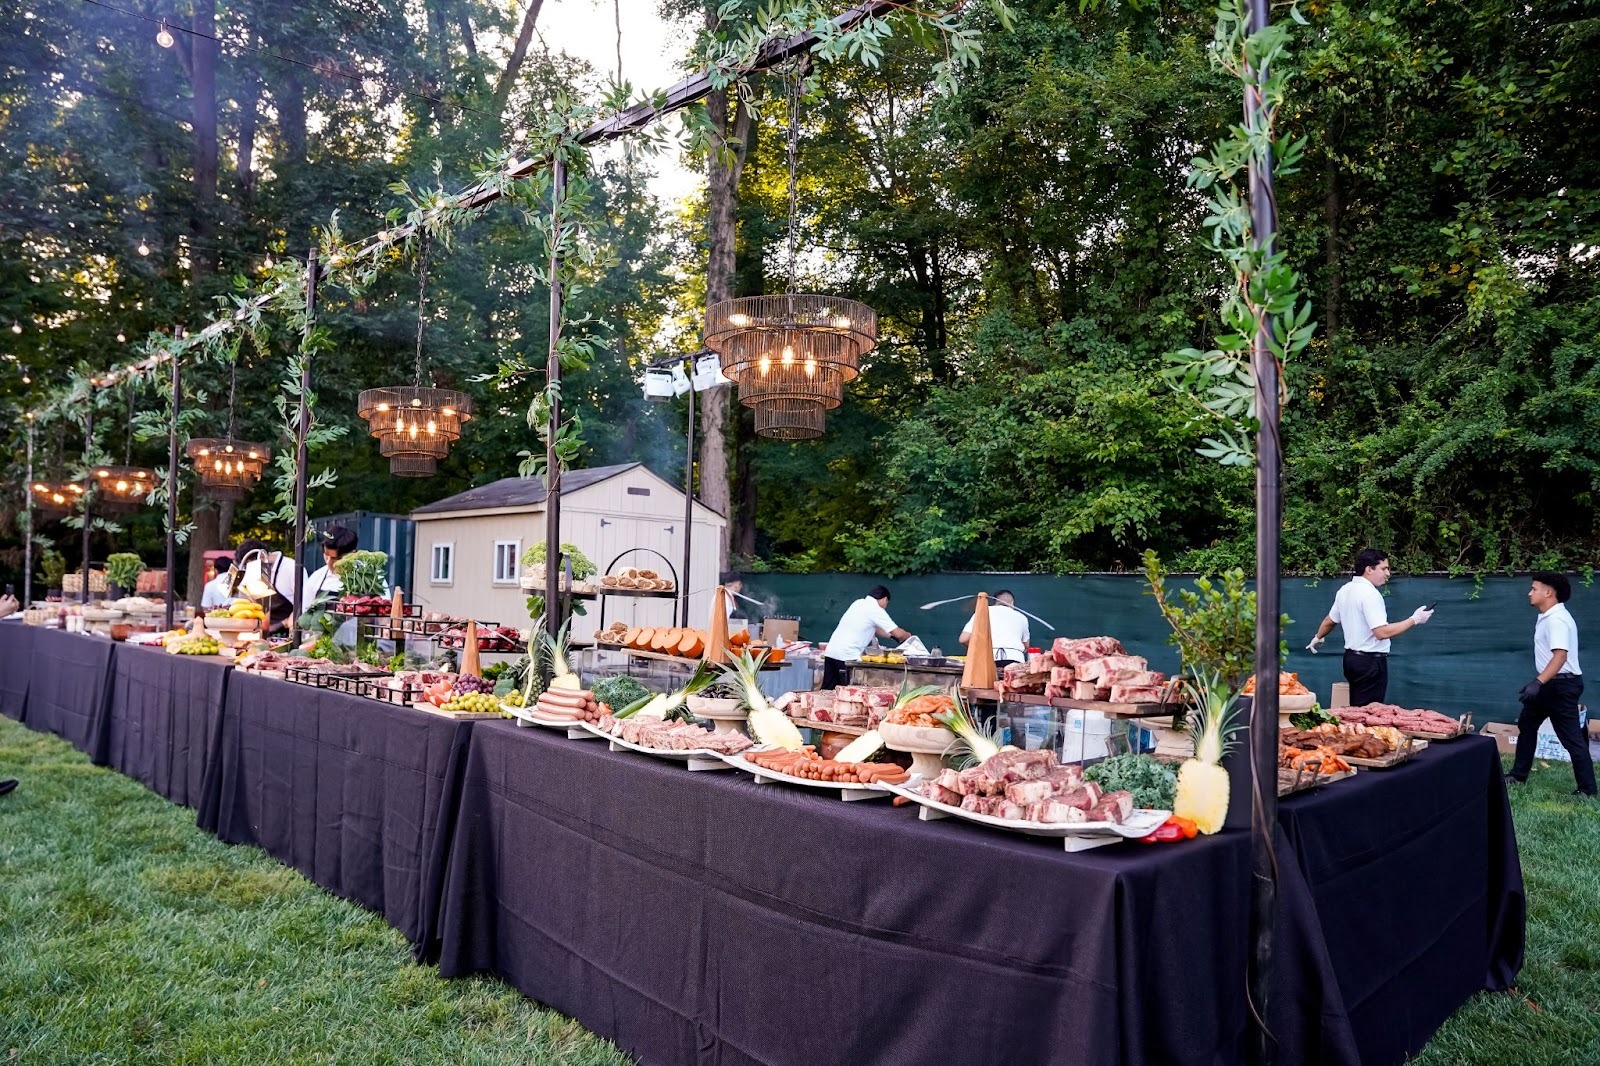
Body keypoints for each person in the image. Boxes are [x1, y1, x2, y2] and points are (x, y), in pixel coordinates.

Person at [1505, 572, 1596, 797]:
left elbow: (1560, 656)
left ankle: (1587, 789)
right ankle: (1518, 775)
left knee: (1571, 739)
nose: (1530, 592)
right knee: (1527, 726)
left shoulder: (1557, 620)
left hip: (1561, 686)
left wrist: (1537, 682)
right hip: (1550, 684)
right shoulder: (1548, 616)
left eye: (1534, 588)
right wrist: (1540, 684)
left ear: (1549, 592)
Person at [1306, 548, 1433, 705]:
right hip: (1370, 663)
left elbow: (1329, 621)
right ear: (1369, 569)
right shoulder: (1370, 594)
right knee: (1367, 715)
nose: (1388, 573)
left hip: (1351, 660)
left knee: (1358, 710)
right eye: (1384, 568)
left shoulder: (1345, 590)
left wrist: (1317, 637)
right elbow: (1381, 632)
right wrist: (1415, 619)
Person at [820, 585, 915, 689]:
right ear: (885, 599)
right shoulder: (876, 610)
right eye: (887, 603)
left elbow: (876, 629)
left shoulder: (858, 603)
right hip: (847, 657)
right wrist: (909, 636)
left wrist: (891, 636)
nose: (886, 606)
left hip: (831, 652)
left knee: (827, 692)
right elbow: (899, 634)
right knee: (846, 694)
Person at [230, 537, 304, 633]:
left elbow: (304, 602)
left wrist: (287, 622)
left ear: (260, 558)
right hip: (262, 630)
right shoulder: (253, 572)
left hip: (288, 629)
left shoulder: (291, 568)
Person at [959, 589, 1030, 668]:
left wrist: (979, 650)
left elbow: (963, 639)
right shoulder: (1022, 617)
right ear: (1012, 603)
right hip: (1016, 660)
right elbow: (1026, 646)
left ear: (995, 602)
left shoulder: (983, 611)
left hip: (988, 659)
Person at [304, 526, 360, 607]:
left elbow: (384, 615)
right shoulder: (316, 579)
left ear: (352, 554)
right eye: (326, 555)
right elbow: (305, 613)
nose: (328, 561)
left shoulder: (371, 577)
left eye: (335, 558)